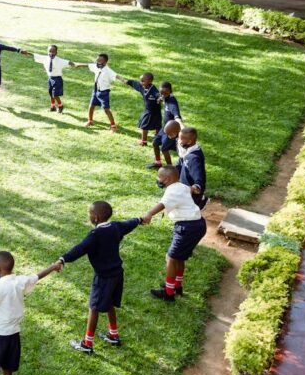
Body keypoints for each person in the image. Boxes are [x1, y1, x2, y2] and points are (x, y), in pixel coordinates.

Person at [57, 202, 141, 354]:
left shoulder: (95, 235)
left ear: (95, 217)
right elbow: (129, 224)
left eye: (90, 214)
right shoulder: (115, 226)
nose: (89, 217)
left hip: (103, 278)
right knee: (109, 303)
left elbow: (80, 248)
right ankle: (113, 335)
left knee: (94, 308)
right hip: (117, 274)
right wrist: (140, 219)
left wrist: (63, 259)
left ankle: (87, 344)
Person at [144, 166, 207, 302]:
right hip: (197, 224)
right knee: (179, 258)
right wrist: (193, 188)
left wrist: (149, 214)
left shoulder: (172, 191)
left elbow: (163, 204)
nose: (158, 180)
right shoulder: (181, 186)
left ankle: (168, 293)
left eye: (159, 177)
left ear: (167, 179)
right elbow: (189, 190)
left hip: (187, 227)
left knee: (171, 258)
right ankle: (177, 286)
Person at [70, 53, 118, 131]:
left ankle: (113, 125)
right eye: (97, 60)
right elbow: (88, 65)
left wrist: (124, 80)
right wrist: (78, 65)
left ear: (105, 62)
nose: (98, 62)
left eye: (100, 61)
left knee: (106, 109)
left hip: (104, 91)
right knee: (91, 106)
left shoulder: (108, 71)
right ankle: (90, 121)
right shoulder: (96, 66)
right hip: (96, 89)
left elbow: (116, 76)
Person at [116, 71, 161, 145]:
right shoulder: (141, 86)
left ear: (150, 81)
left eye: (143, 81)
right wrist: (123, 80)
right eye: (140, 80)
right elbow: (133, 83)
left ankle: (145, 141)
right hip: (148, 109)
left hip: (154, 110)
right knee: (147, 124)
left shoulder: (153, 88)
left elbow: (157, 94)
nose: (141, 82)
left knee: (152, 125)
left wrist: (160, 99)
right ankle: (153, 140)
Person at [148, 82, 183, 169]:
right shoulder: (165, 97)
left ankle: (170, 168)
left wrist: (181, 126)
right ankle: (158, 162)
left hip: (171, 130)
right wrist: (160, 99)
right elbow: (161, 97)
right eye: (161, 93)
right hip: (164, 128)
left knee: (164, 149)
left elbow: (176, 115)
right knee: (155, 143)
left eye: (166, 93)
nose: (163, 95)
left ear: (170, 91)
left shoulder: (172, 102)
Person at [30, 45, 70, 113]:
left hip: (57, 79)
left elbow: (69, 63)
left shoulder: (60, 60)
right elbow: (35, 55)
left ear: (56, 52)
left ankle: (60, 106)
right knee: (51, 93)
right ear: (47, 52)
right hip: (50, 78)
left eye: (53, 51)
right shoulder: (45, 58)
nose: (51, 53)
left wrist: (79, 65)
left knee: (55, 94)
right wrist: (26, 53)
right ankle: (53, 106)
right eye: (50, 51)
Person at [176, 126, 208, 209]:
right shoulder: (188, 150)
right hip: (185, 186)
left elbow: (199, 176)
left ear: (189, 141)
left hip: (192, 191)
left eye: (180, 139)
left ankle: (201, 201)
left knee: (190, 211)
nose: (178, 141)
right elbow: (181, 162)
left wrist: (196, 187)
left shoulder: (193, 158)